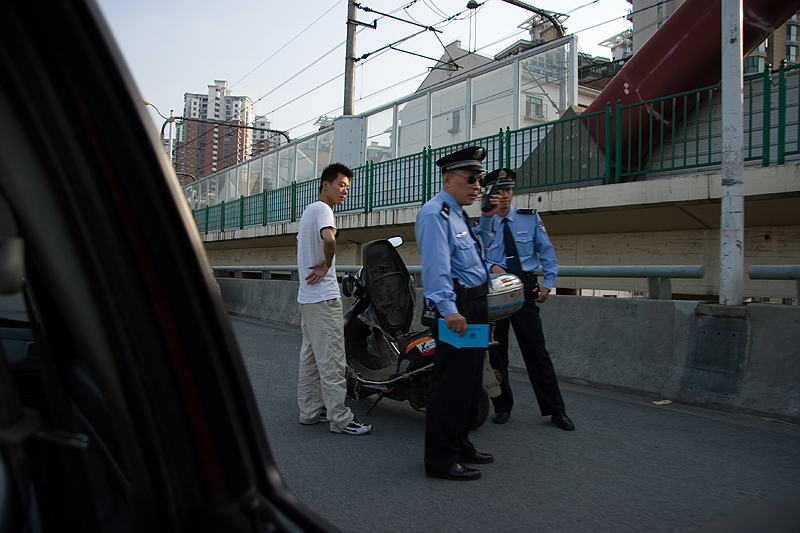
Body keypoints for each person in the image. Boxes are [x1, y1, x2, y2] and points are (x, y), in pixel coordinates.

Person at [415, 146, 497, 481]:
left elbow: (476, 253)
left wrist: (488, 220)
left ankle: (460, 443)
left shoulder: (458, 212)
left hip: (474, 306)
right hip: (457, 310)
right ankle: (440, 459)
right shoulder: (436, 214)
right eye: (471, 178)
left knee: (469, 379)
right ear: (448, 179)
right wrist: (449, 310)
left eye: (479, 179)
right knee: (450, 383)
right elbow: (436, 267)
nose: (477, 185)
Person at [475, 168, 575, 431]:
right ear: (490, 195)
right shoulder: (484, 223)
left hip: (525, 290)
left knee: (537, 352)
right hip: (496, 292)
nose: (504, 195)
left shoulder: (529, 218)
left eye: (507, 190)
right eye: (498, 191)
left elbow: (546, 252)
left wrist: (548, 284)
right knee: (497, 352)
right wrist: (492, 267)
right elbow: (475, 256)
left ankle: (556, 410)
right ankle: (502, 406)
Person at [296, 163, 372, 435]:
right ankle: (340, 418)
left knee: (311, 357)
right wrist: (327, 265)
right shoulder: (323, 210)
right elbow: (329, 239)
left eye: (348, 188)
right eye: (341, 185)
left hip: (307, 298)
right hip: (323, 297)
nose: (345, 191)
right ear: (325, 184)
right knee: (332, 360)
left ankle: (309, 411)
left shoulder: (308, 211)